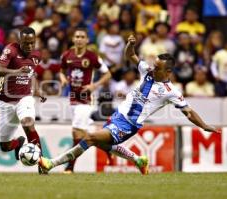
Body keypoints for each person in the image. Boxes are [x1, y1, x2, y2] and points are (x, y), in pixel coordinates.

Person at [39, 35, 220, 175]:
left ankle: (51, 164)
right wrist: (131, 44)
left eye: (157, 67)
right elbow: (130, 55)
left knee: (89, 138)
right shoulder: (147, 72)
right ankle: (139, 160)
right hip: (118, 115)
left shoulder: (171, 91)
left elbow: (188, 112)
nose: (153, 68)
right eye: (154, 65)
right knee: (100, 143)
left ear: (168, 71)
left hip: (129, 124)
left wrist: (204, 126)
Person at [0, 27, 47, 174]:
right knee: (5, 146)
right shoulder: (11, 50)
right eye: (26, 43)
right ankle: (18, 143)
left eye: (32, 43)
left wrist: (37, 90)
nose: (29, 47)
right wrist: (15, 71)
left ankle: (42, 163)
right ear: (19, 41)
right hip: (6, 101)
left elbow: (31, 74)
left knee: (28, 124)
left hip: (24, 98)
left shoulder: (36, 55)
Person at [59, 28, 111, 173]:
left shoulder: (92, 57)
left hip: (86, 100)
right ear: (73, 39)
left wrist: (94, 85)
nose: (79, 39)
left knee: (76, 133)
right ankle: (111, 149)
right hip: (72, 100)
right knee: (88, 136)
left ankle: (69, 167)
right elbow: (61, 70)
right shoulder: (67, 55)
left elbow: (107, 74)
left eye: (82, 37)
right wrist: (63, 78)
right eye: (77, 36)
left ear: (87, 40)